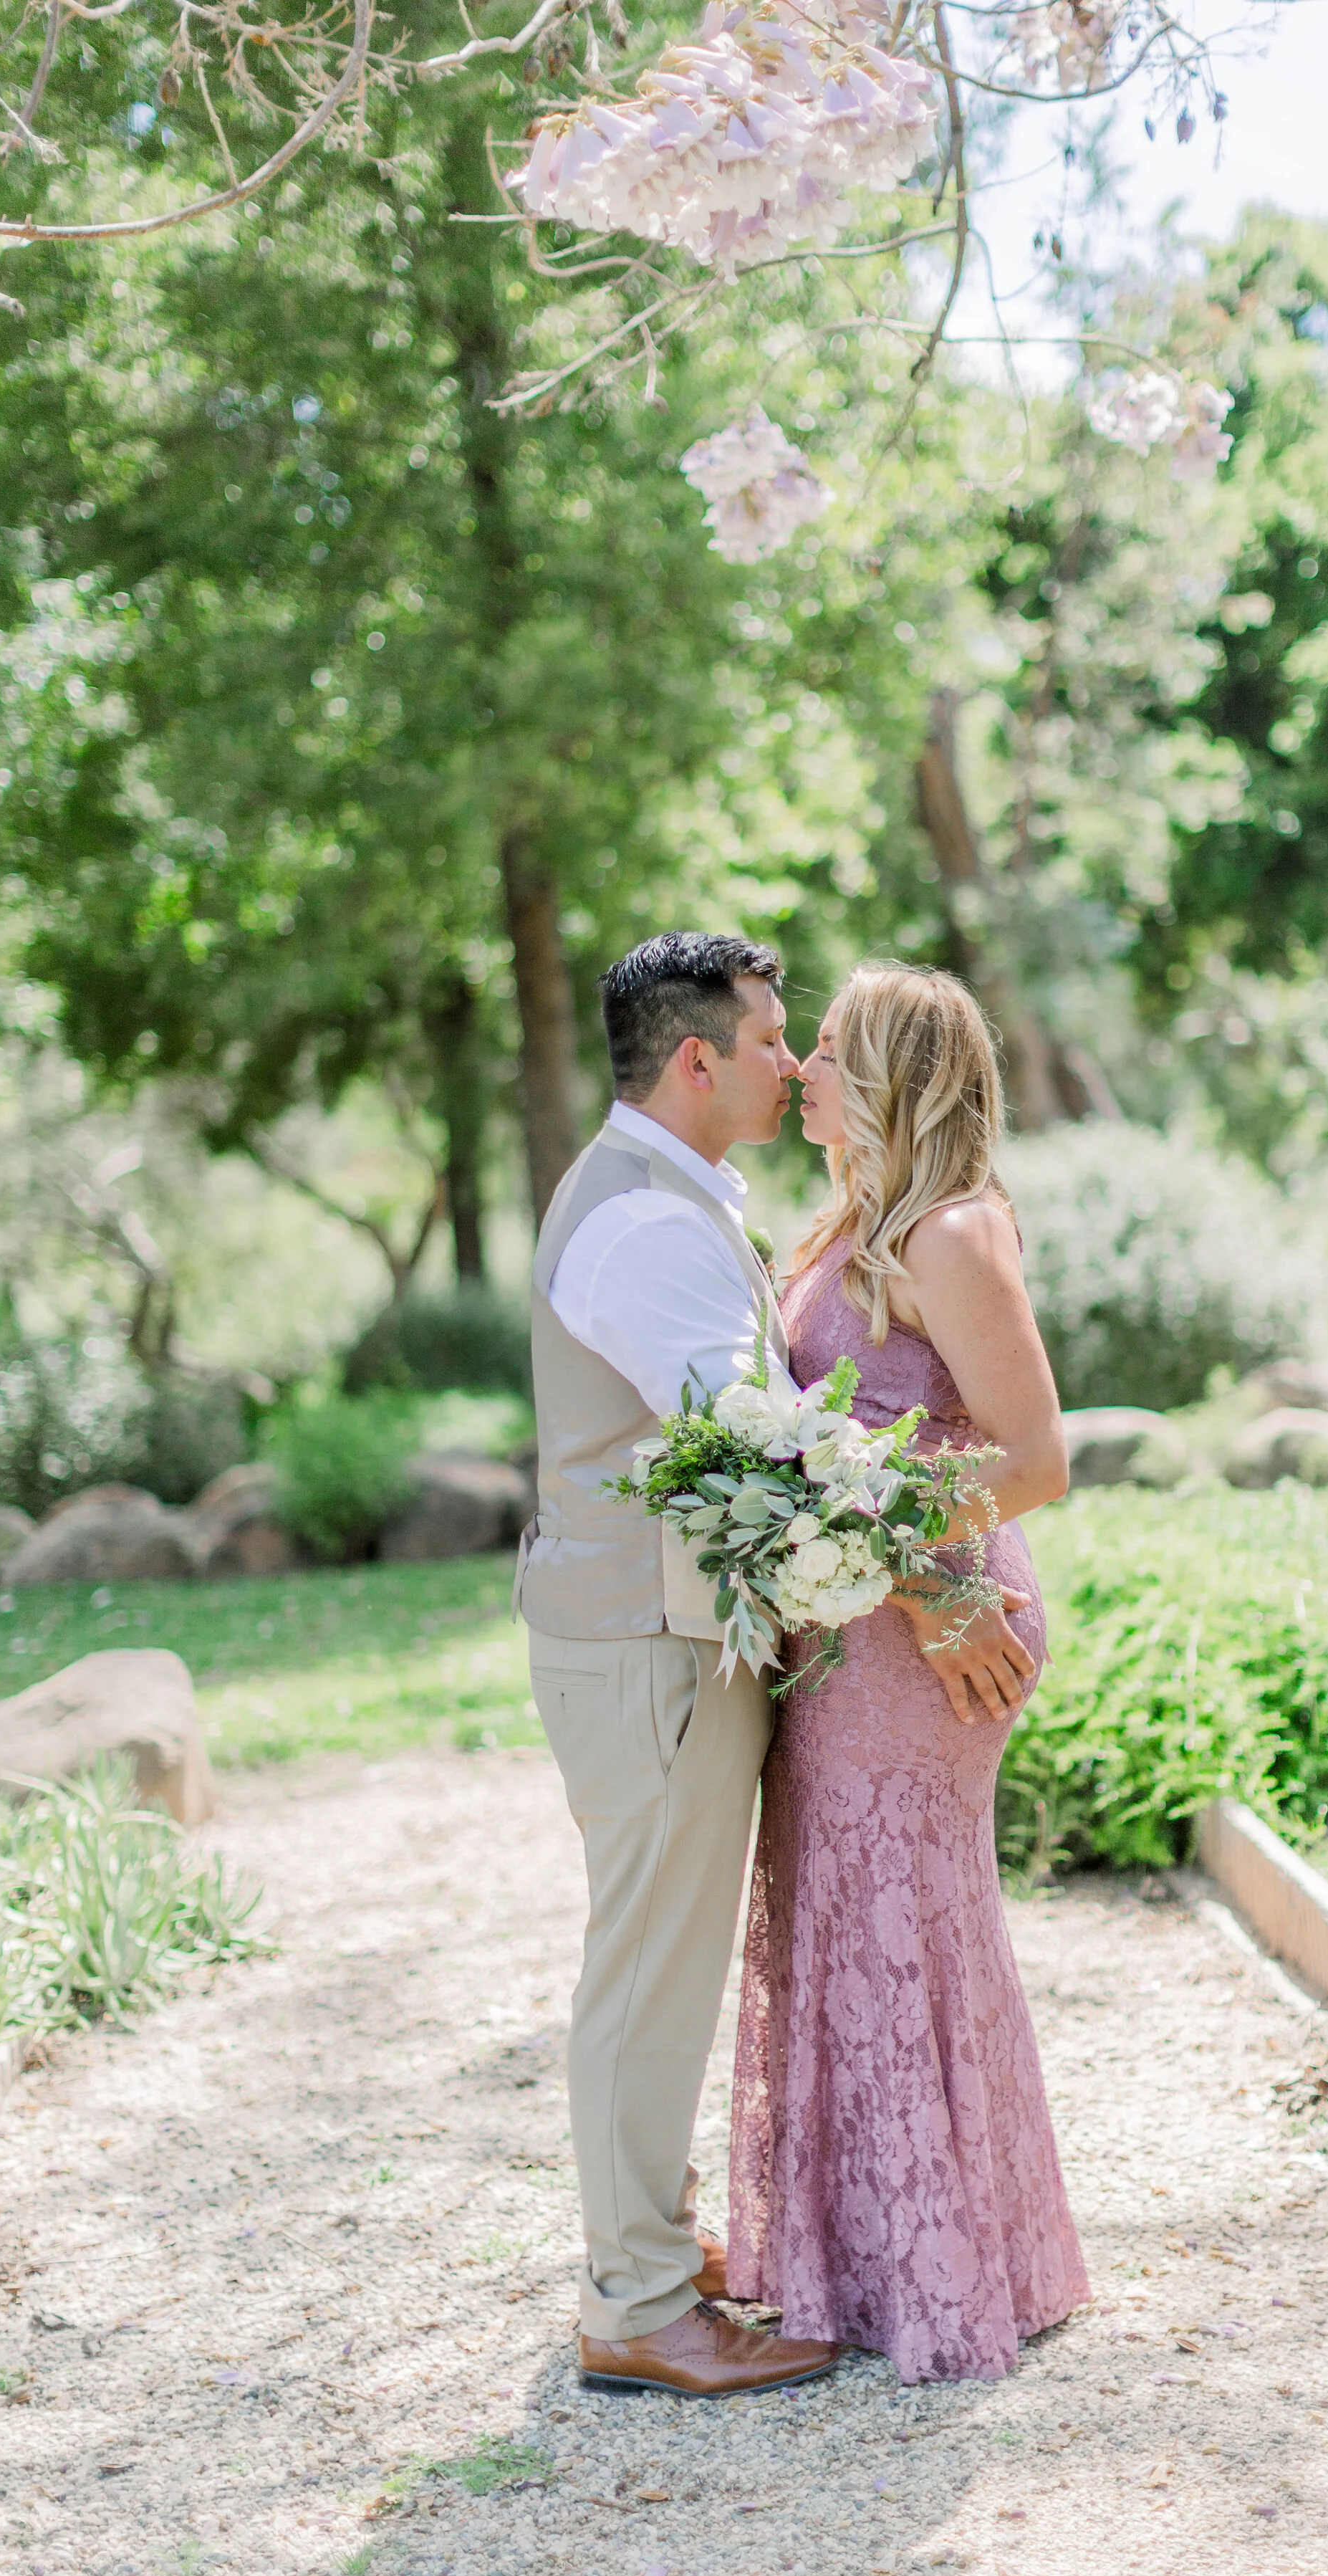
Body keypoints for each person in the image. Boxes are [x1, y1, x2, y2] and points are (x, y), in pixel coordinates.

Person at [518, 933, 1039, 2399]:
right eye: (768, 1039)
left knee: (671, 1960)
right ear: (698, 1060)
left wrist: (935, 1579)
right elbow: (775, 1455)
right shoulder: (648, 1229)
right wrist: (933, 1588)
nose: (793, 1061)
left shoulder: (688, 1203)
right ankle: (635, 2302)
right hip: (650, 1642)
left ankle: (663, 2248)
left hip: (693, 1635)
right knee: (649, 1974)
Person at [728, 962, 1091, 2383]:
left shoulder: (949, 1232)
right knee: (840, 1913)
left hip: (940, 1625)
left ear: (891, 1075)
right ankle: (872, 2257)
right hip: (854, 1624)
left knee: (901, 1919)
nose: (803, 1070)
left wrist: (892, 1551)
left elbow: (1036, 1461)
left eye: (827, 1049)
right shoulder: (845, 1229)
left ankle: (948, 2273)